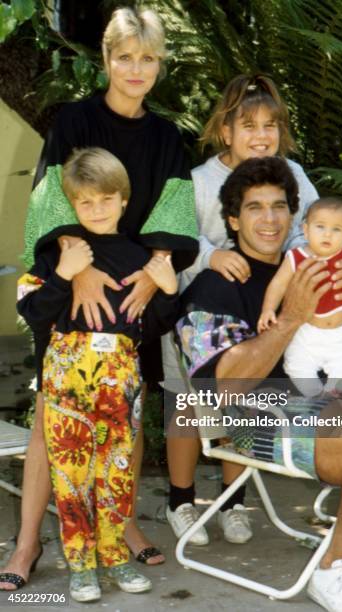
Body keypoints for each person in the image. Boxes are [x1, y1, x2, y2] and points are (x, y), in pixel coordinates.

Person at [0, 5, 198, 591]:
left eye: (148, 59)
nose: (136, 70)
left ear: (159, 63)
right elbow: (50, 203)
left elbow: (176, 215)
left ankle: (123, 530)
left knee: (125, 420)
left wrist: (148, 273)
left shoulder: (167, 136)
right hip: (71, 280)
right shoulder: (74, 122)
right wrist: (76, 269)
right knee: (50, 421)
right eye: (124, 57)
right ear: (107, 60)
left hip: (131, 290)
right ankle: (31, 540)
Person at [175, 156, 342, 612]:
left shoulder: (319, 264)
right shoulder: (212, 288)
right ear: (232, 218)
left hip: (326, 398)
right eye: (254, 207)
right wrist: (290, 318)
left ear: (294, 214)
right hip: (249, 421)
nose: (270, 218)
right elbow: (219, 393)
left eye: (280, 206)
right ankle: (333, 569)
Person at [16, 148, 179, 602]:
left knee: (117, 473)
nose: (97, 209)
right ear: (72, 204)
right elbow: (32, 313)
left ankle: (115, 558)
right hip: (67, 380)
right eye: (85, 202)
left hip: (121, 378)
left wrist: (167, 292)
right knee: (70, 477)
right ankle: (81, 566)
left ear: (123, 200)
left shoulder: (139, 255)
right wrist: (64, 277)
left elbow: (153, 326)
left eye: (106, 199)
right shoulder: (57, 253)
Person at [164, 74, 319, 546]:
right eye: (248, 125)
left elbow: (308, 230)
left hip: (258, 306)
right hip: (196, 303)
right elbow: (175, 236)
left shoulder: (290, 175)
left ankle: (233, 501)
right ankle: (181, 499)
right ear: (224, 131)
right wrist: (212, 255)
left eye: (270, 126)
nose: (261, 135)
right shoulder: (198, 180)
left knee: (242, 404)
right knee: (185, 406)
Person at [258, 196, 342, 396]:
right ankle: (315, 396)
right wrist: (267, 309)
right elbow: (278, 285)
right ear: (306, 229)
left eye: (337, 229)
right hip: (305, 333)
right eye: (320, 227)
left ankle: (333, 394)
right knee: (297, 366)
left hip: (340, 334)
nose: (328, 234)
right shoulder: (295, 257)